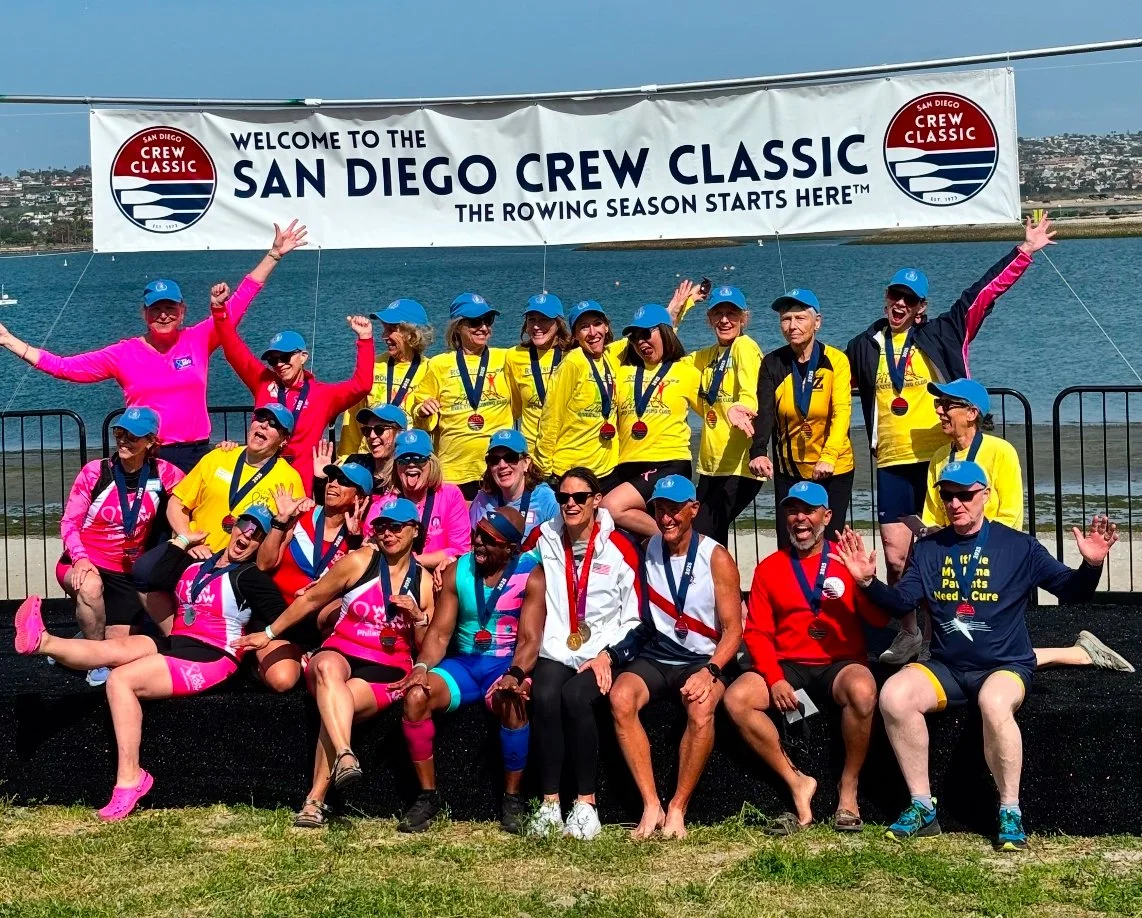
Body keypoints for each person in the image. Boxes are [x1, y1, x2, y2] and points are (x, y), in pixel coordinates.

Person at [830, 460, 1118, 851]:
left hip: (1004, 666)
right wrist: (866, 582)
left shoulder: (1019, 546)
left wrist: (1092, 565)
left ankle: (1010, 811)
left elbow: (1072, 592)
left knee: (994, 702)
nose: (955, 503)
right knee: (895, 695)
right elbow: (901, 601)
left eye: (965, 495)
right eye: (947, 495)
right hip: (948, 667)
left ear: (985, 495)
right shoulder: (929, 548)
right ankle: (921, 806)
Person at [846, 214, 1056, 665]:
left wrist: (1023, 253)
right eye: (894, 295)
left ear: (921, 306)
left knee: (943, 554)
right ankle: (908, 635)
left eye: (910, 298)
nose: (900, 304)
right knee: (899, 557)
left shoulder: (945, 331)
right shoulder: (865, 344)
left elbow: (983, 293)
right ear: (886, 299)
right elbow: (825, 376)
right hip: (891, 462)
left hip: (942, 461)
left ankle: (936, 635)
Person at [14, 505, 285, 821]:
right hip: (178, 641)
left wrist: (266, 635)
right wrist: (182, 541)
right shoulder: (199, 563)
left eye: (257, 535)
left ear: (261, 545)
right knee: (112, 650)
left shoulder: (251, 577)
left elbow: (285, 617)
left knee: (120, 679)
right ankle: (42, 642)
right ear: (232, 526)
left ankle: (131, 780)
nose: (246, 537)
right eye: (245, 526)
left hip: (214, 656)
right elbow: (147, 574)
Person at [0, 221, 308, 472]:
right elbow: (66, 367)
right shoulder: (123, 353)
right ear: (144, 314)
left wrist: (274, 255)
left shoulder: (199, 338)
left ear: (183, 311)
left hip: (195, 455)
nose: (164, 314)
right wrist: (9, 340)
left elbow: (240, 301)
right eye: (156, 308)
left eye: (170, 308)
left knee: (196, 537)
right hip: (145, 454)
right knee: (149, 539)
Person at [239, 497, 434, 828]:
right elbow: (312, 599)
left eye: (395, 527)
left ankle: (314, 802)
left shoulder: (424, 581)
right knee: (327, 668)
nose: (387, 534)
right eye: (381, 527)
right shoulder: (360, 560)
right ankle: (345, 754)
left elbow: (426, 643)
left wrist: (417, 617)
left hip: (387, 664)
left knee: (337, 706)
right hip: (341, 648)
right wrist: (270, 633)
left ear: (414, 531)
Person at [919, 379, 1132, 672]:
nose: (940, 411)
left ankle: (1077, 654)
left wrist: (977, 546)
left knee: (988, 643)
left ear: (971, 413)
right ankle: (1078, 654)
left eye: (946, 404)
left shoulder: (1000, 451)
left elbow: (1010, 513)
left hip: (991, 549)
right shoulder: (940, 457)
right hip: (955, 547)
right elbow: (932, 516)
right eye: (937, 404)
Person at [725, 481, 890, 833]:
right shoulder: (769, 567)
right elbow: (755, 632)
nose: (800, 518)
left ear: (826, 517)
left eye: (809, 511)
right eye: (792, 510)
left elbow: (879, 620)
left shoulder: (846, 560)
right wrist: (774, 677)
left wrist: (866, 582)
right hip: (788, 665)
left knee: (863, 690)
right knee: (737, 698)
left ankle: (848, 789)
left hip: (839, 663)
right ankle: (797, 780)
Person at [498, 467, 642, 840]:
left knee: (576, 698)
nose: (571, 504)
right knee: (544, 696)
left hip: (602, 651)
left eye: (580, 497)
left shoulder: (620, 545)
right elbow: (506, 561)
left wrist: (610, 655)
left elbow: (637, 616)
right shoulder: (545, 538)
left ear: (596, 500)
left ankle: (585, 804)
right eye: (564, 498)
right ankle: (549, 806)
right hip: (558, 647)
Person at [607, 475, 743, 838]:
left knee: (701, 708)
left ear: (693, 509)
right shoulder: (647, 547)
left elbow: (734, 630)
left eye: (674, 510)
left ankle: (678, 807)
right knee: (621, 698)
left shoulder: (716, 557)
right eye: (659, 510)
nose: (666, 518)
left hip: (702, 659)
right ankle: (650, 804)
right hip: (658, 655)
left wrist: (712, 671)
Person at [388, 507, 539, 834]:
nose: (479, 544)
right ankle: (428, 798)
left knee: (513, 701)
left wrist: (514, 674)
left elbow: (529, 639)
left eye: (489, 540)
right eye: (477, 535)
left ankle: (513, 799)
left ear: (510, 548)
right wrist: (422, 666)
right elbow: (440, 634)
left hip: (505, 665)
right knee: (415, 697)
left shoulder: (532, 574)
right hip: (464, 665)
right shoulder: (459, 570)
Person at [56, 407, 185, 685]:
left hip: (126, 573)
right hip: (83, 562)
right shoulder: (95, 472)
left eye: (133, 436)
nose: (124, 441)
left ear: (151, 442)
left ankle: (77, 644)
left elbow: (201, 491)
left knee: (121, 650)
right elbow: (68, 523)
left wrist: (227, 452)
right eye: (119, 432)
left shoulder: (164, 473)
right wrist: (79, 558)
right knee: (90, 589)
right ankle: (91, 661)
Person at [209, 284, 374, 492]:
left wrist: (365, 338)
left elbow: (362, 385)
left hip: (298, 486)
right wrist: (219, 310)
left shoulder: (322, 395)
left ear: (303, 357)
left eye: (285, 357)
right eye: (273, 359)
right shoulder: (263, 381)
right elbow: (234, 351)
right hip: (258, 477)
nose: (279, 364)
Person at [250, 463, 372, 692]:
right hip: (276, 613)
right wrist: (280, 521)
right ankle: (274, 658)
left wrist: (355, 541)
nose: (334, 484)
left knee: (345, 607)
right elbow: (264, 564)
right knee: (282, 680)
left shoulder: (362, 534)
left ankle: (315, 653)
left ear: (361, 498)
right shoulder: (301, 514)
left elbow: (358, 590)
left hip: (317, 623)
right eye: (332, 478)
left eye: (344, 482)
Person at [749, 289, 854, 549]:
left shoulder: (836, 361)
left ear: (817, 321)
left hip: (832, 469)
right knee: (790, 544)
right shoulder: (772, 362)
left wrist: (829, 456)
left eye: (800, 318)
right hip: (790, 471)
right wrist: (758, 451)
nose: (792, 326)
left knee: (829, 545)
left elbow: (842, 412)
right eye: (786, 319)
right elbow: (765, 412)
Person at [602, 306, 703, 539]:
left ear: (665, 333)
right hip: (626, 465)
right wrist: (673, 313)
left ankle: (683, 541)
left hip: (668, 462)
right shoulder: (622, 370)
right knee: (637, 542)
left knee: (611, 507)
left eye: (647, 334)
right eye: (635, 337)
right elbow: (600, 351)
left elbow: (713, 409)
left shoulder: (685, 370)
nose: (641, 342)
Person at [163, 403, 305, 554]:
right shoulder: (218, 456)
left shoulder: (289, 479)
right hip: (194, 552)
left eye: (273, 424)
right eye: (261, 418)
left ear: (284, 440)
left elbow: (284, 537)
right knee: (144, 570)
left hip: (238, 563)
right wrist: (188, 539)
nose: (263, 425)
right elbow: (176, 503)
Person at [414, 293, 514, 499]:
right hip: (454, 470)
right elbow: (419, 415)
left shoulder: (506, 358)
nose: (484, 327)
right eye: (476, 322)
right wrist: (423, 411)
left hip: (499, 467)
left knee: (498, 530)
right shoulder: (439, 364)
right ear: (458, 327)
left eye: (488, 320)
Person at [689, 284, 764, 546]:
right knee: (711, 541)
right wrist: (682, 308)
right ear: (709, 319)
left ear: (744, 318)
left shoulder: (745, 346)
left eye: (731, 313)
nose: (724, 320)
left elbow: (750, 390)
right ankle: (719, 587)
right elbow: (671, 363)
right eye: (717, 313)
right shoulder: (708, 355)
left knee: (702, 535)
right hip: (711, 464)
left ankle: (723, 587)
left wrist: (738, 406)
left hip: (739, 465)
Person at [534, 300, 622, 486]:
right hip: (571, 470)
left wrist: (682, 305)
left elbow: (649, 333)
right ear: (575, 335)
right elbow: (551, 417)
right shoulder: (572, 363)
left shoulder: (611, 356)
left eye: (597, 324)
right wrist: (544, 470)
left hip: (607, 469)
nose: (592, 333)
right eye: (584, 327)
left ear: (606, 327)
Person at [338, 298, 433, 457]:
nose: (384, 336)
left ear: (412, 334)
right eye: (384, 329)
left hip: (408, 460)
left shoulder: (431, 369)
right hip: (370, 459)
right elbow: (353, 419)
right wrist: (346, 458)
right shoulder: (373, 366)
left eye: (391, 329)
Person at [386, 429, 471, 571]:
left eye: (419, 458)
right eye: (403, 459)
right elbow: (373, 550)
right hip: (395, 578)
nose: (411, 464)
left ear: (432, 463)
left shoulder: (450, 495)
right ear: (396, 466)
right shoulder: (384, 505)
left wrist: (415, 561)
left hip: (439, 577)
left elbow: (460, 549)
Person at [506, 293, 571, 455]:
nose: (536, 326)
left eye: (544, 319)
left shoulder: (573, 354)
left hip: (566, 448)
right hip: (530, 452)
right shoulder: (514, 356)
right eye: (532, 319)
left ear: (558, 323)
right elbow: (513, 408)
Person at [469, 429, 559, 541]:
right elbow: (472, 544)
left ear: (526, 463)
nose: (502, 465)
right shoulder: (483, 500)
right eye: (494, 460)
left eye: (510, 458)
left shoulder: (546, 499)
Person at [318, 404, 406, 500]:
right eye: (367, 430)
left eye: (379, 429)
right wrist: (321, 480)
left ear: (399, 433)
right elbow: (332, 507)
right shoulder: (356, 464)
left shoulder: (405, 471)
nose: (371, 436)